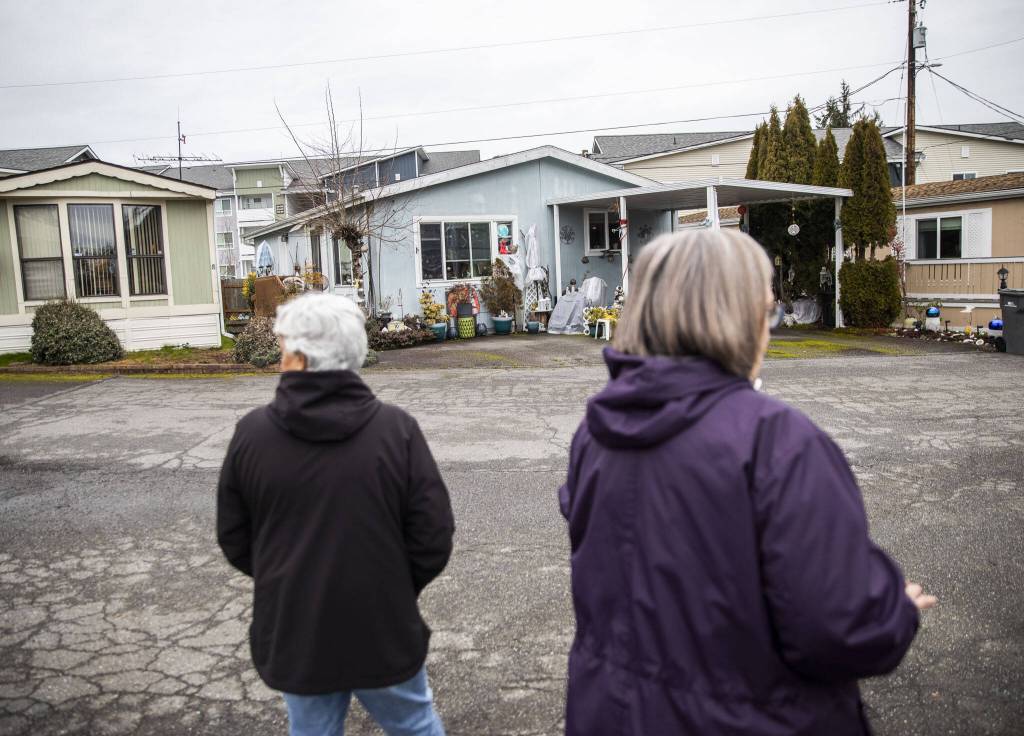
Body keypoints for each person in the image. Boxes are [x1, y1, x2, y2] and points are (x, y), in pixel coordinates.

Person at [559, 230, 935, 736]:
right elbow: (839, 629)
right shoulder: (779, 442)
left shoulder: (595, 434)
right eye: (767, 313)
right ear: (736, 322)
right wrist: (894, 611)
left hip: (611, 712)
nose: (768, 329)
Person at [217, 293, 454, 736]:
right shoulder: (396, 430)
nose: (281, 355)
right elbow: (433, 536)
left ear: (302, 358)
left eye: (285, 346)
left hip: (297, 627)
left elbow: (235, 538)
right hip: (383, 623)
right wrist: (395, 586)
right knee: (415, 725)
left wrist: (285, 575)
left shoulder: (252, 435)